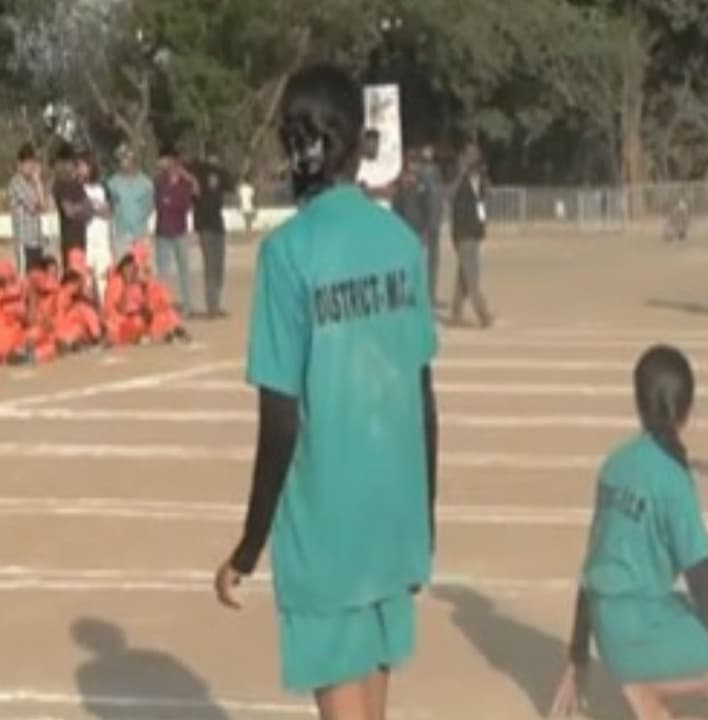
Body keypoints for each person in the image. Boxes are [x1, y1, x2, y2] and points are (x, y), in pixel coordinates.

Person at [212, 63, 439, 720]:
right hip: (394, 516)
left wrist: (248, 549)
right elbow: (424, 399)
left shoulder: (287, 254)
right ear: (357, 143)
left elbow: (280, 420)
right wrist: (422, 520)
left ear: (293, 148)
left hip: (328, 528)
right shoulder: (400, 242)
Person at [549, 345, 708, 720]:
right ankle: (646, 688)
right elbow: (703, 589)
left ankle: (647, 678)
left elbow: (592, 562)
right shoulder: (673, 479)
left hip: (614, 618)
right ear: (687, 411)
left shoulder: (616, 462)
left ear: (638, 402)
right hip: (638, 631)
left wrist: (578, 655)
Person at [449, 152, 493, 328]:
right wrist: (461, 174)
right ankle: (484, 315)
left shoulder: (479, 185)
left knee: (464, 276)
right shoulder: (460, 183)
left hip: (474, 234)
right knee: (472, 277)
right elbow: (449, 195)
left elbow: (485, 201)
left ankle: (455, 314)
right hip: (463, 234)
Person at [153, 145, 198, 316]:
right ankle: (162, 305)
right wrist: (171, 202)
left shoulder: (185, 183)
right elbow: (160, 205)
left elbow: (185, 205)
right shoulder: (159, 181)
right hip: (163, 231)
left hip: (179, 230)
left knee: (184, 270)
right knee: (163, 272)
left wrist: (170, 201)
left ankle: (187, 305)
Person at [193, 152, 233, 319]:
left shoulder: (219, 174)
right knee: (211, 266)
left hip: (217, 224)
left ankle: (215, 304)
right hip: (205, 225)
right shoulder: (198, 172)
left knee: (218, 267)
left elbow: (231, 184)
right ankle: (212, 307)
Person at [106, 145, 156, 261]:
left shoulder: (146, 183)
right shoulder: (112, 183)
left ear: (133, 160)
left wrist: (140, 219)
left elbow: (151, 206)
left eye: (127, 158)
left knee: (142, 269)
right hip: (121, 234)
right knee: (123, 269)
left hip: (141, 233)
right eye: (121, 159)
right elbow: (110, 205)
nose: (124, 162)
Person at [7, 143, 49, 273]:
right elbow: (34, 207)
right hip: (24, 242)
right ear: (19, 165)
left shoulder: (33, 183)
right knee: (25, 279)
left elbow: (44, 207)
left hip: (37, 240)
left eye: (33, 163)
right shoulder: (16, 183)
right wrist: (37, 185)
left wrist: (38, 182)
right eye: (27, 163)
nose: (31, 167)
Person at [53, 145, 91, 273]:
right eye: (64, 163)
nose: (67, 166)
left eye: (70, 163)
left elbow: (89, 210)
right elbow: (68, 211)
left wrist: (79, 208)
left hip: (81, 238)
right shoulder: (59, 185)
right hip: (69, 239)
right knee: (71, 276)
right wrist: (81, 208)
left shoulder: (77, 185)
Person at [81, 153, 113, 301]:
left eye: (83, 166)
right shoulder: (79, 188)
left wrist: (95, 209)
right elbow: (83, 213)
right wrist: (96, 209)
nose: (81, 169)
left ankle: (105, 313)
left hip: (102, 239)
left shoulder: (103, 187)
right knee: (85, 280)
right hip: (86, 239)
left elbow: (108, 213)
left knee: (103, 279)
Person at [415, 143, 444, 302]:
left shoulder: (435, 172)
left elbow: (437, 199)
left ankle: (430, 294)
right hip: (425, 224)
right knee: (423, 260)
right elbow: (420, 201)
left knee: (433, 261)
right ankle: (423, 294)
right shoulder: (419, 174)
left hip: (433, 222)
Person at [356, 129, 390, 206]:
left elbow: (389, 192)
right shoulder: (357, 166)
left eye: (376, 144)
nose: (374, 148)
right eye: (371, 144)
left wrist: (369, 191)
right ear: (364, 145)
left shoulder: (384, 166)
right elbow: (356, 192)